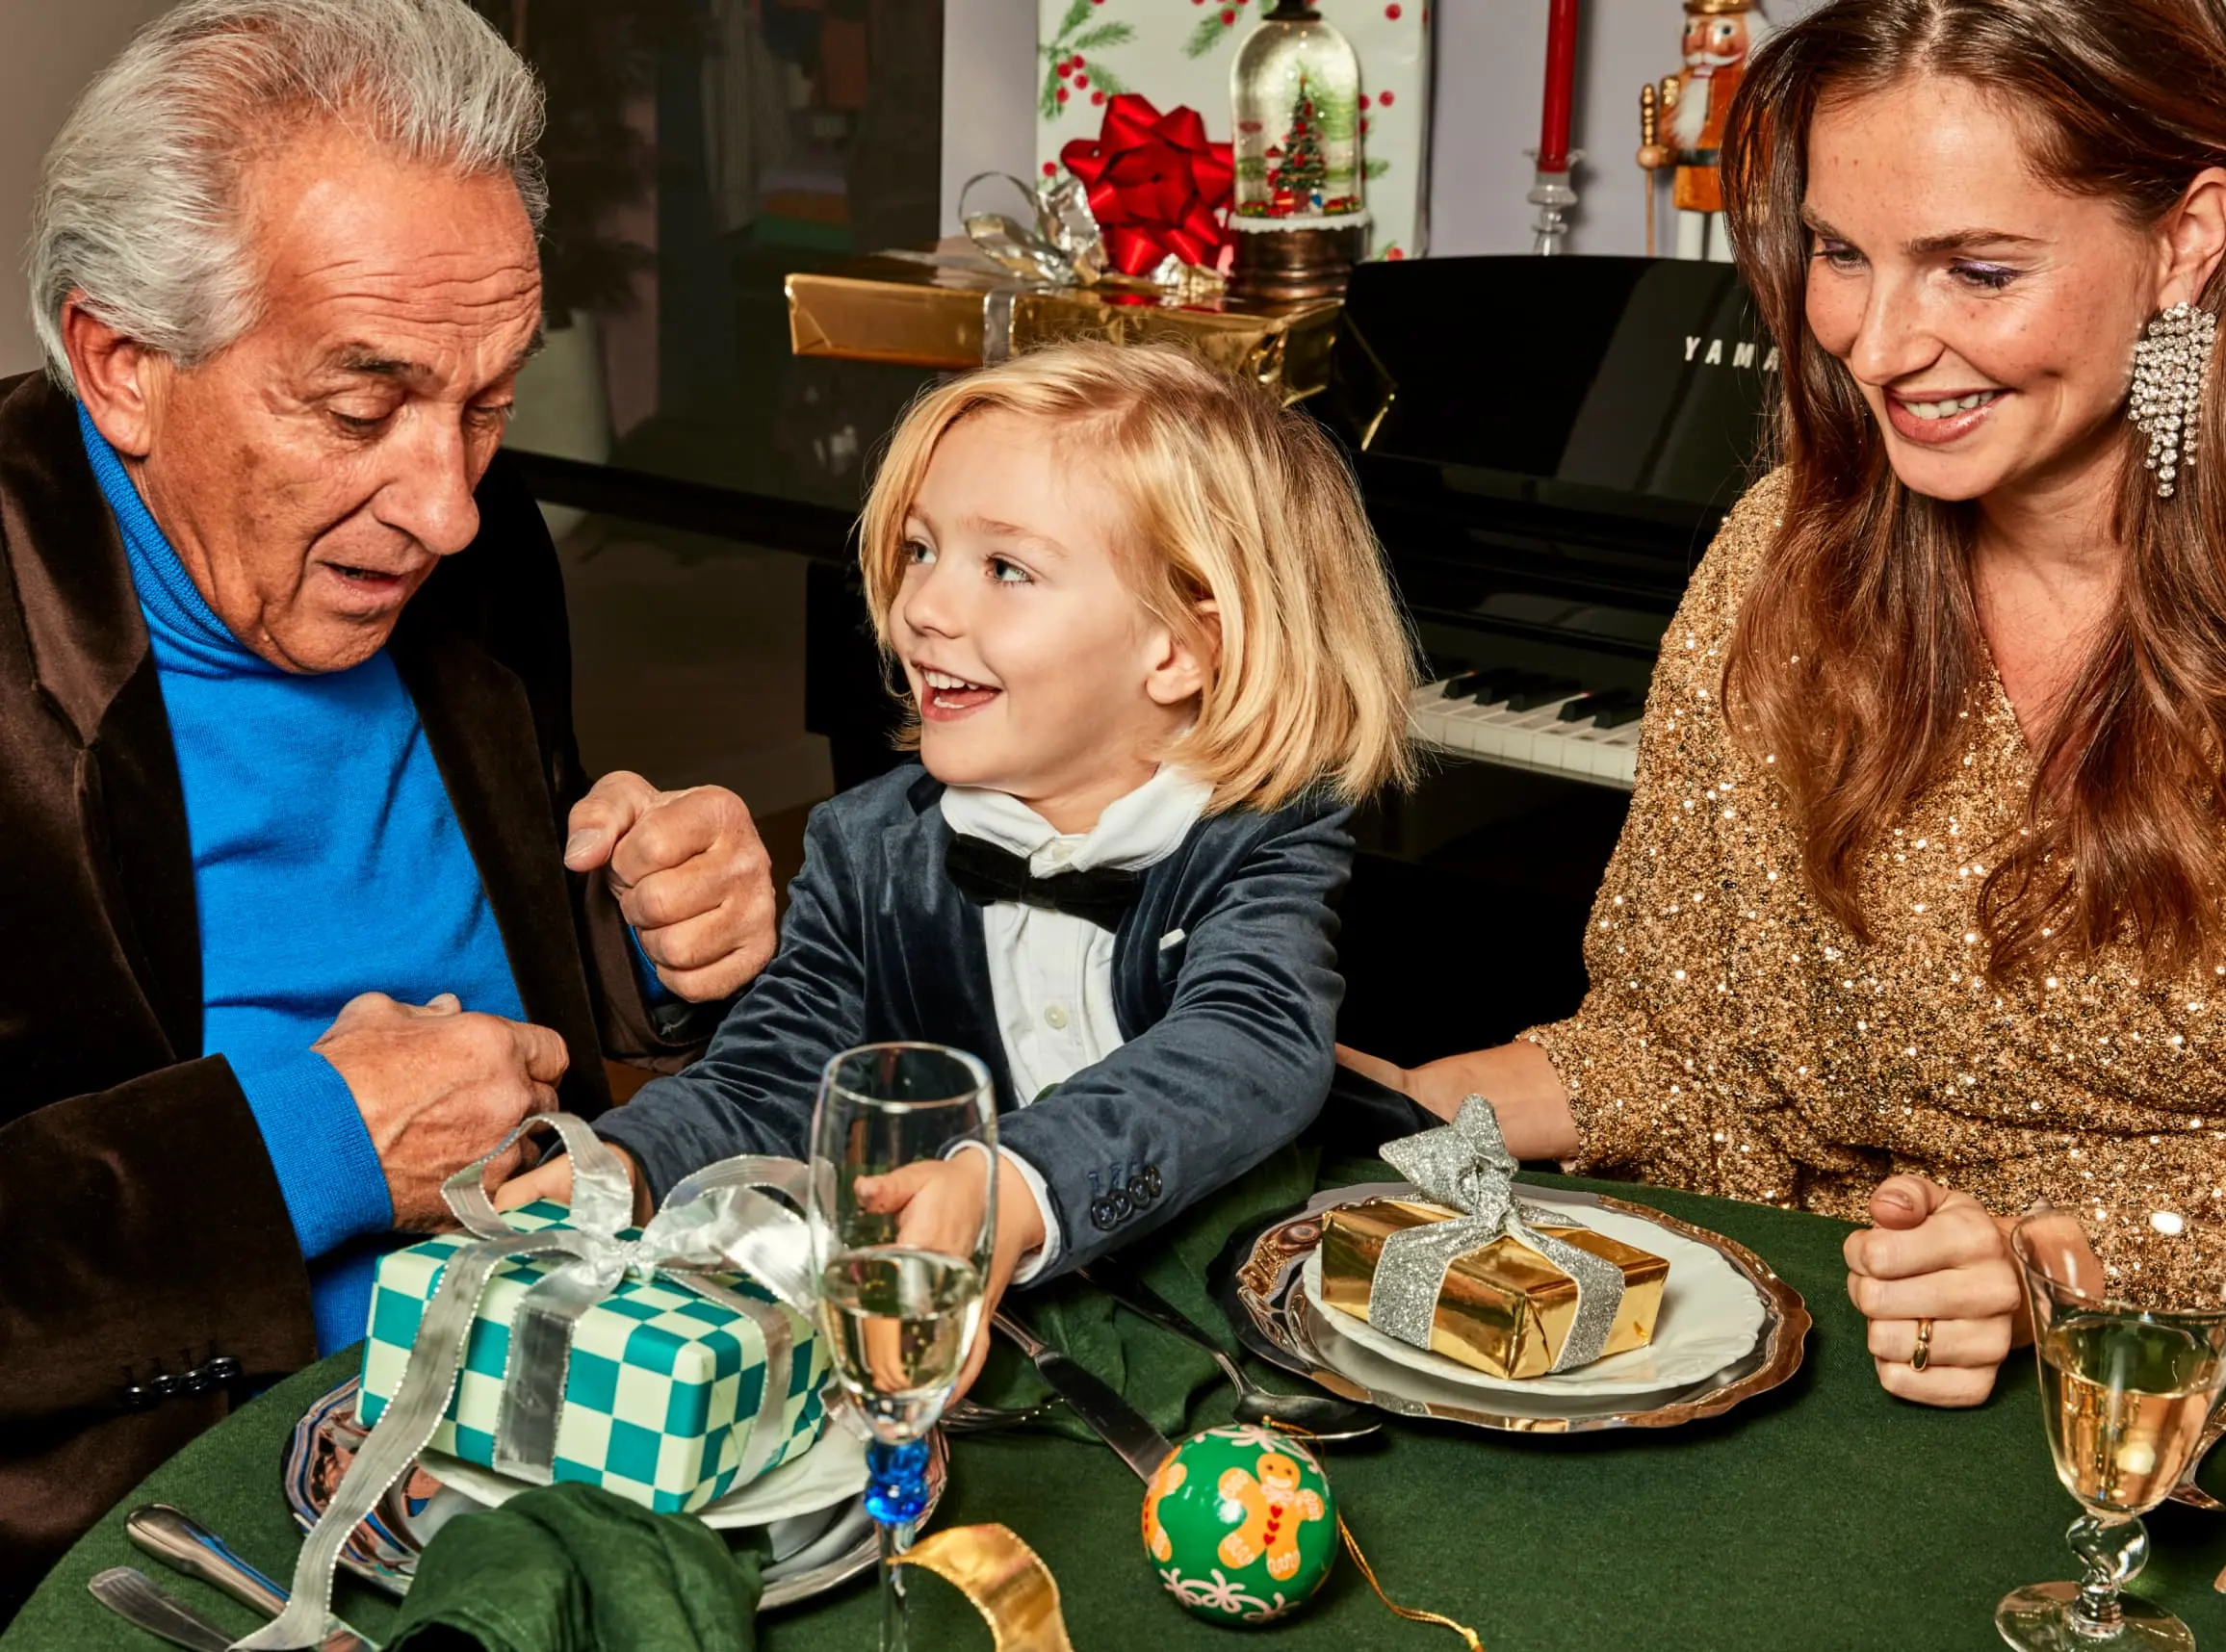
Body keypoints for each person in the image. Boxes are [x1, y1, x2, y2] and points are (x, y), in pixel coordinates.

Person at [0, 0, 777, 1605]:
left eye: (488, 402)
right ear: (120, 364)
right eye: (359, 411)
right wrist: (307, 1147)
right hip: (163, 1545)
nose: (446, 504)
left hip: (556, 1437)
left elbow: (484, 965)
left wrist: (642, 933)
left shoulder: (475, 558)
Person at [1341, 0, 2226, 1408]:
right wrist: (1384, 1108)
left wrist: (2081, 1264)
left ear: (2185, 241)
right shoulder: (1784, 551)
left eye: (1976, 270)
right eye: (1839, 254)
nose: (1875, 346)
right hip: (1749, 1342)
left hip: (2133, 1422)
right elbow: (1680, 1045)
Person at [499, 342, 1417, 1375]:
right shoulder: (866, 849)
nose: (922, 608)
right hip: (989, 1345)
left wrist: (1015, 1186)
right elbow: (772, 1074)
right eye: (921, 550)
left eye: (1005, 569)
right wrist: (627, 1160)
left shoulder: (1262, 834)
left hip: (1244, 1320)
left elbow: (1249, 1041)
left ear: (1180, 647)